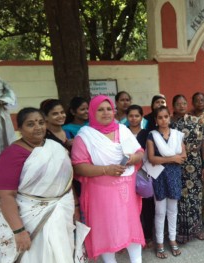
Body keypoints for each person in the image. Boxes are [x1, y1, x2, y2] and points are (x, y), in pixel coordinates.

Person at [0, 107, 81, 263]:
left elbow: (66, 181)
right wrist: (19, 231)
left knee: (62, 252)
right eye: (30, 124)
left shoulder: (55, 148)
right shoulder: (12, 154)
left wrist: (75, 205)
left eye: (41, 122)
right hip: (29, 219)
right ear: (19, 128)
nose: (38, 127)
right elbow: (5, 195)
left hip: (61, 210)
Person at [71, 95, 145, 263]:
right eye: (100, 109)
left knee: (131, 226)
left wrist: (132, 159)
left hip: (126, 191)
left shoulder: (123, 130)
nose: (105, 113)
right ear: (92, 112)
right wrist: (106, 170)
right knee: (106, 230)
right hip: (101, 193)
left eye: (109, 109)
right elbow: (78, 166)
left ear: (114, 111)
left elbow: (140, 153)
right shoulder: (85, 136)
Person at [146, 106, 186, 259]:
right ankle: (160, 243)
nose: (163, 120)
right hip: (160, 177)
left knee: (173, 210)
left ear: (169, 117)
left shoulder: (177, 135)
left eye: (166, 116)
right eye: (160, 117)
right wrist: (172, 158)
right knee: (160, 211)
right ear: (155, 120)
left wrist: (173, 158)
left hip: (174, 176)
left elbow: (183, 156)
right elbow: (152, 159)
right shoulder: (152, 136)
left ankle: (172, 239)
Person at [170, 94, 204, 244]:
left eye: (184, 103)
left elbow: (203, 144)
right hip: (176, 165)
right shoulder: (170, 123)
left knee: (195, 198)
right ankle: (181, 231)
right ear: (173, 106)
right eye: (178, 103)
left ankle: (197, 229)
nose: (182, 106)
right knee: (179, 199)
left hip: (195, 165)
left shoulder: (196, 121)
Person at [127, 104, 154, 249]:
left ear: (141, 117)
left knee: (147, 206)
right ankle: (132, 236)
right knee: (130, 206)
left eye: (137, 115)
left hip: (144, 173)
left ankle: (148, 235)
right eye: (131, 116)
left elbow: (150, 154)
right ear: (127, 117)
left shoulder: (147, 133)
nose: (134, 118)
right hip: (127, 174)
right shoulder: (122, 133)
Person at [189, 92, 204, 224]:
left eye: (202, 100)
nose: (200, 103)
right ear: (192, 102)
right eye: (197, 100)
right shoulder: (188, 117)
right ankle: (196, 215)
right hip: (191, 156)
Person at [0, 78, 16, 157]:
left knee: (4, 139)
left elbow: (11, 96)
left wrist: (3, 100)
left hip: (1, 113)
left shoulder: (0, 81)